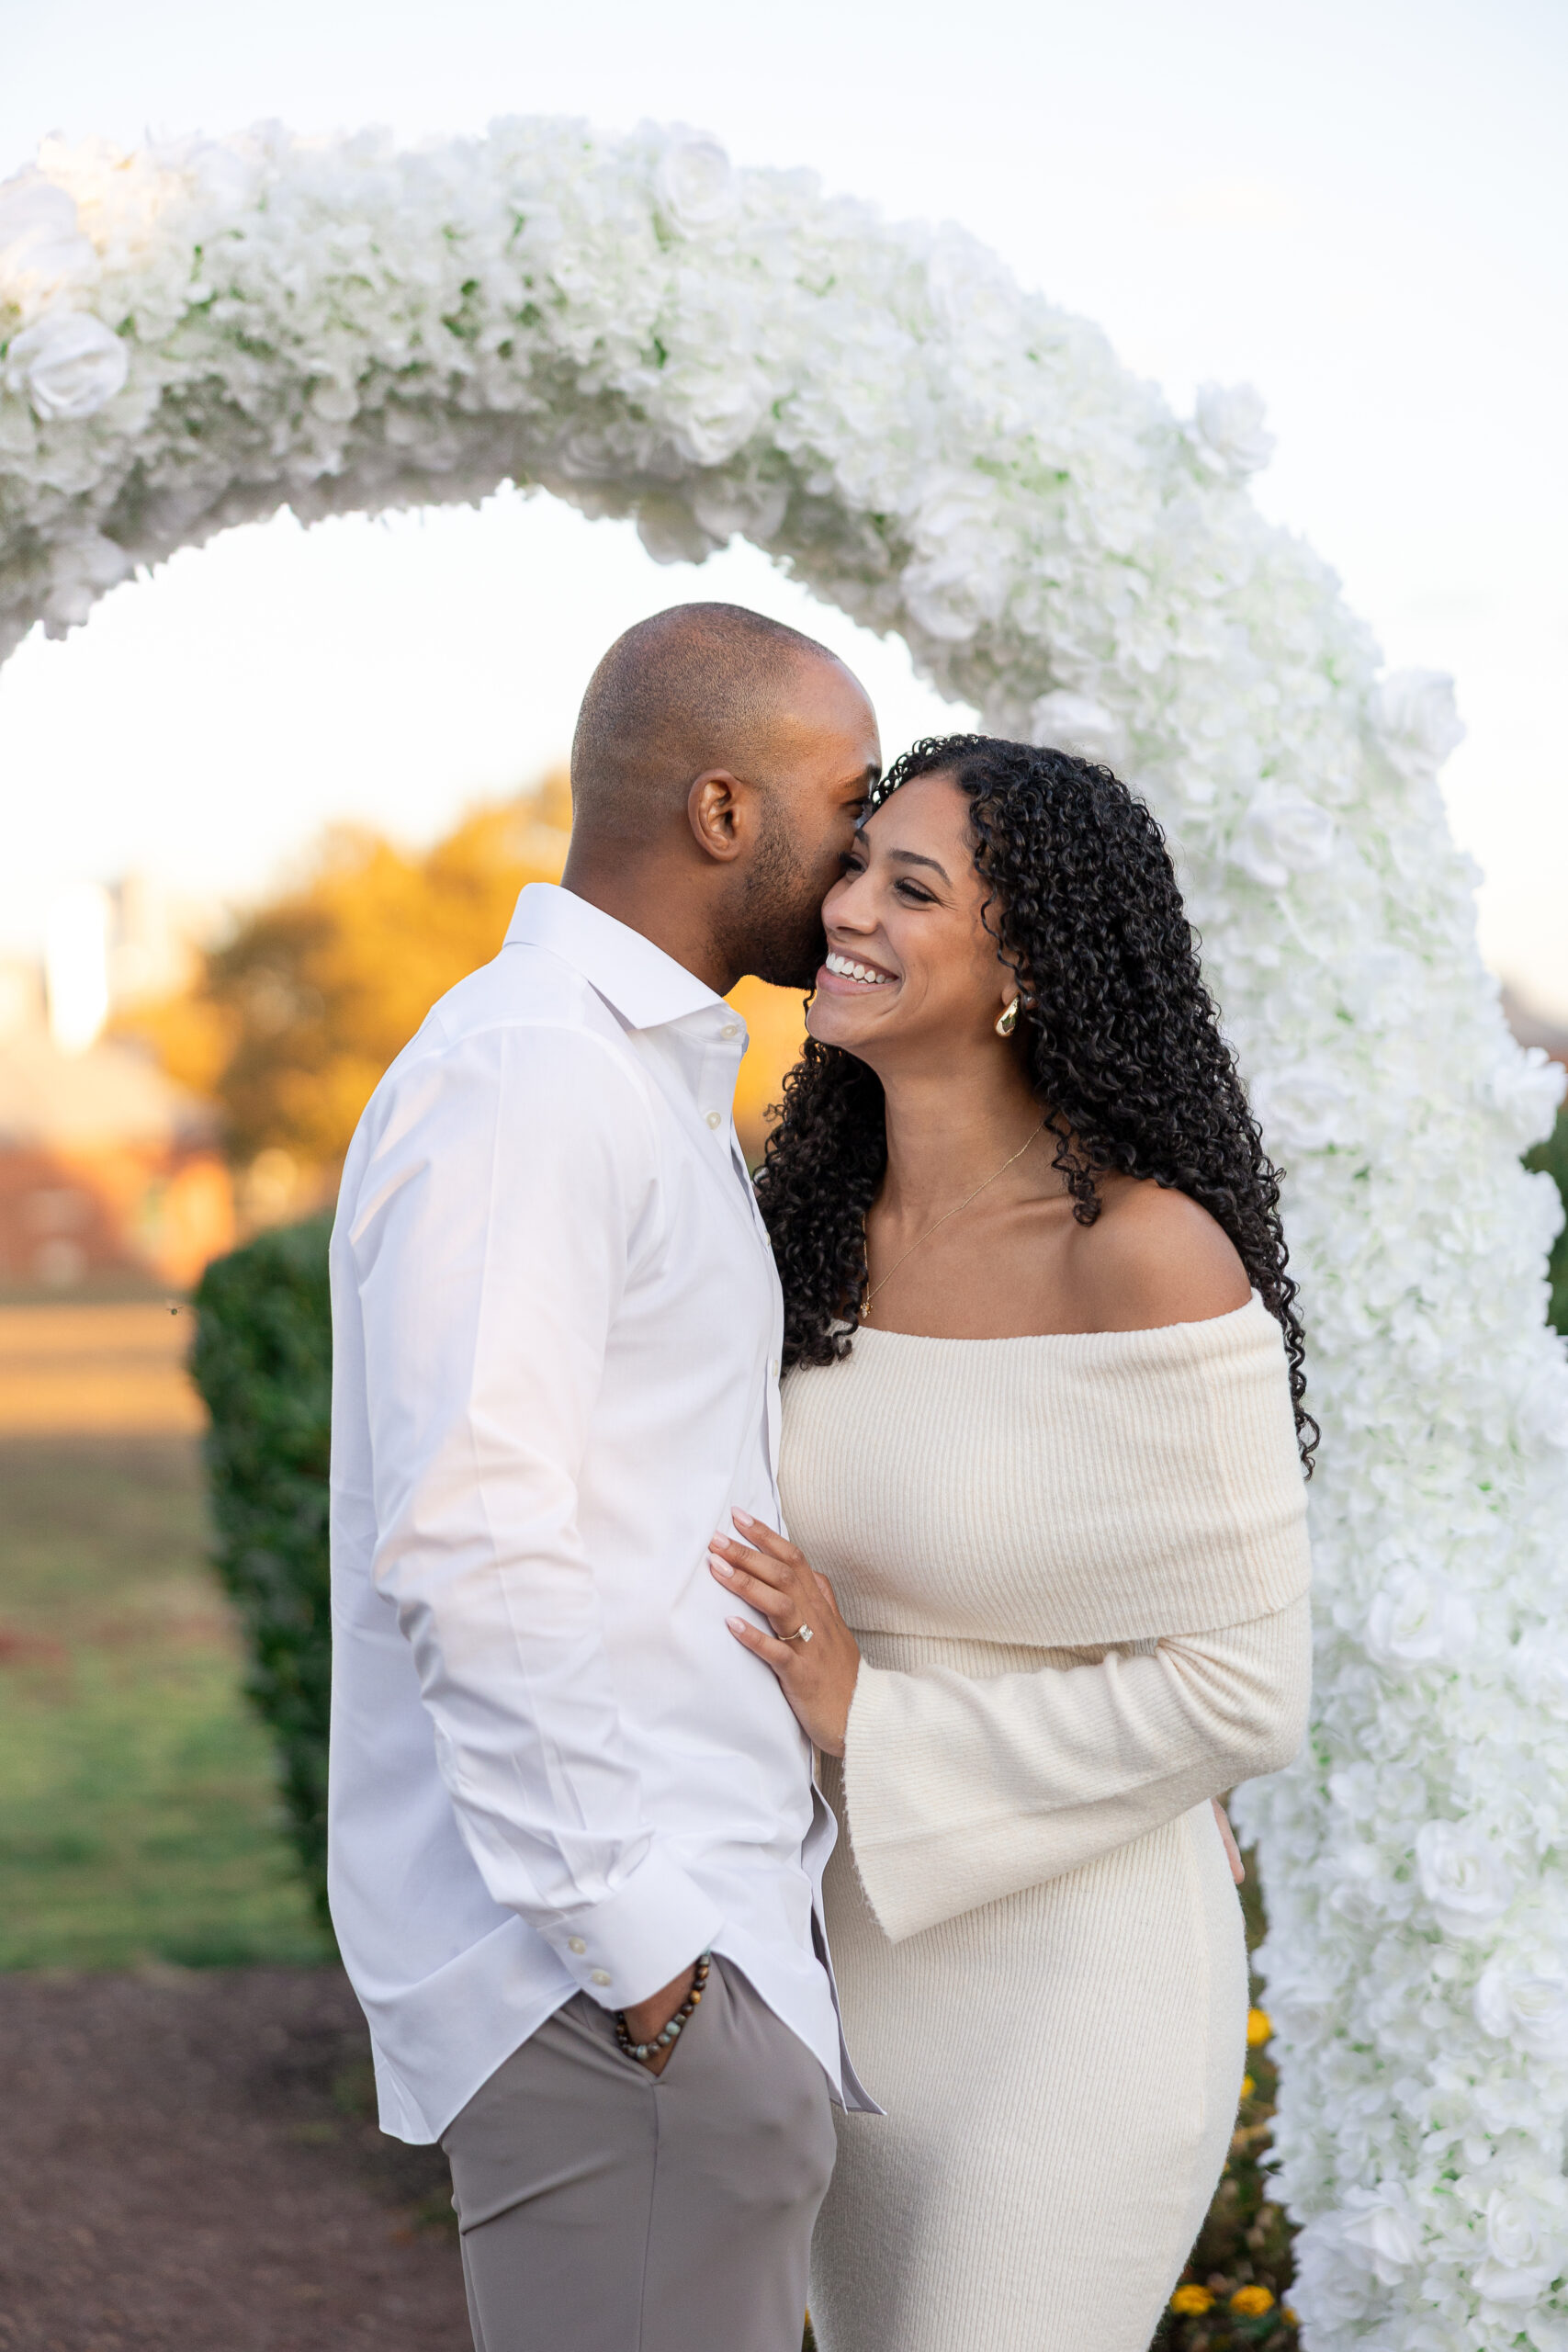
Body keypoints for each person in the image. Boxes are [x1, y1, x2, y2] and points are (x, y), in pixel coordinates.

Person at [709, 734, 1315, 2352]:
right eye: (857, 867)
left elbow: (1249, 1696)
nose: (848, 908)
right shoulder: (799, 1231)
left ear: (1024, 968)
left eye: (914, 886)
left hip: (1078, 1985)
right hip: (839, 1958)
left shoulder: (1146, 1254)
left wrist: (870, 1713)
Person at [326, 602, 881, 2352]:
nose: (871, 850)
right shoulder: (534, 1076)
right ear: (725, 812)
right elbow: (472, 1543)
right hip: (611, 1994)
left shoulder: (637, 1080)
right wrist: (650, 1973)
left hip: (682, 1980)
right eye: (848, 797)